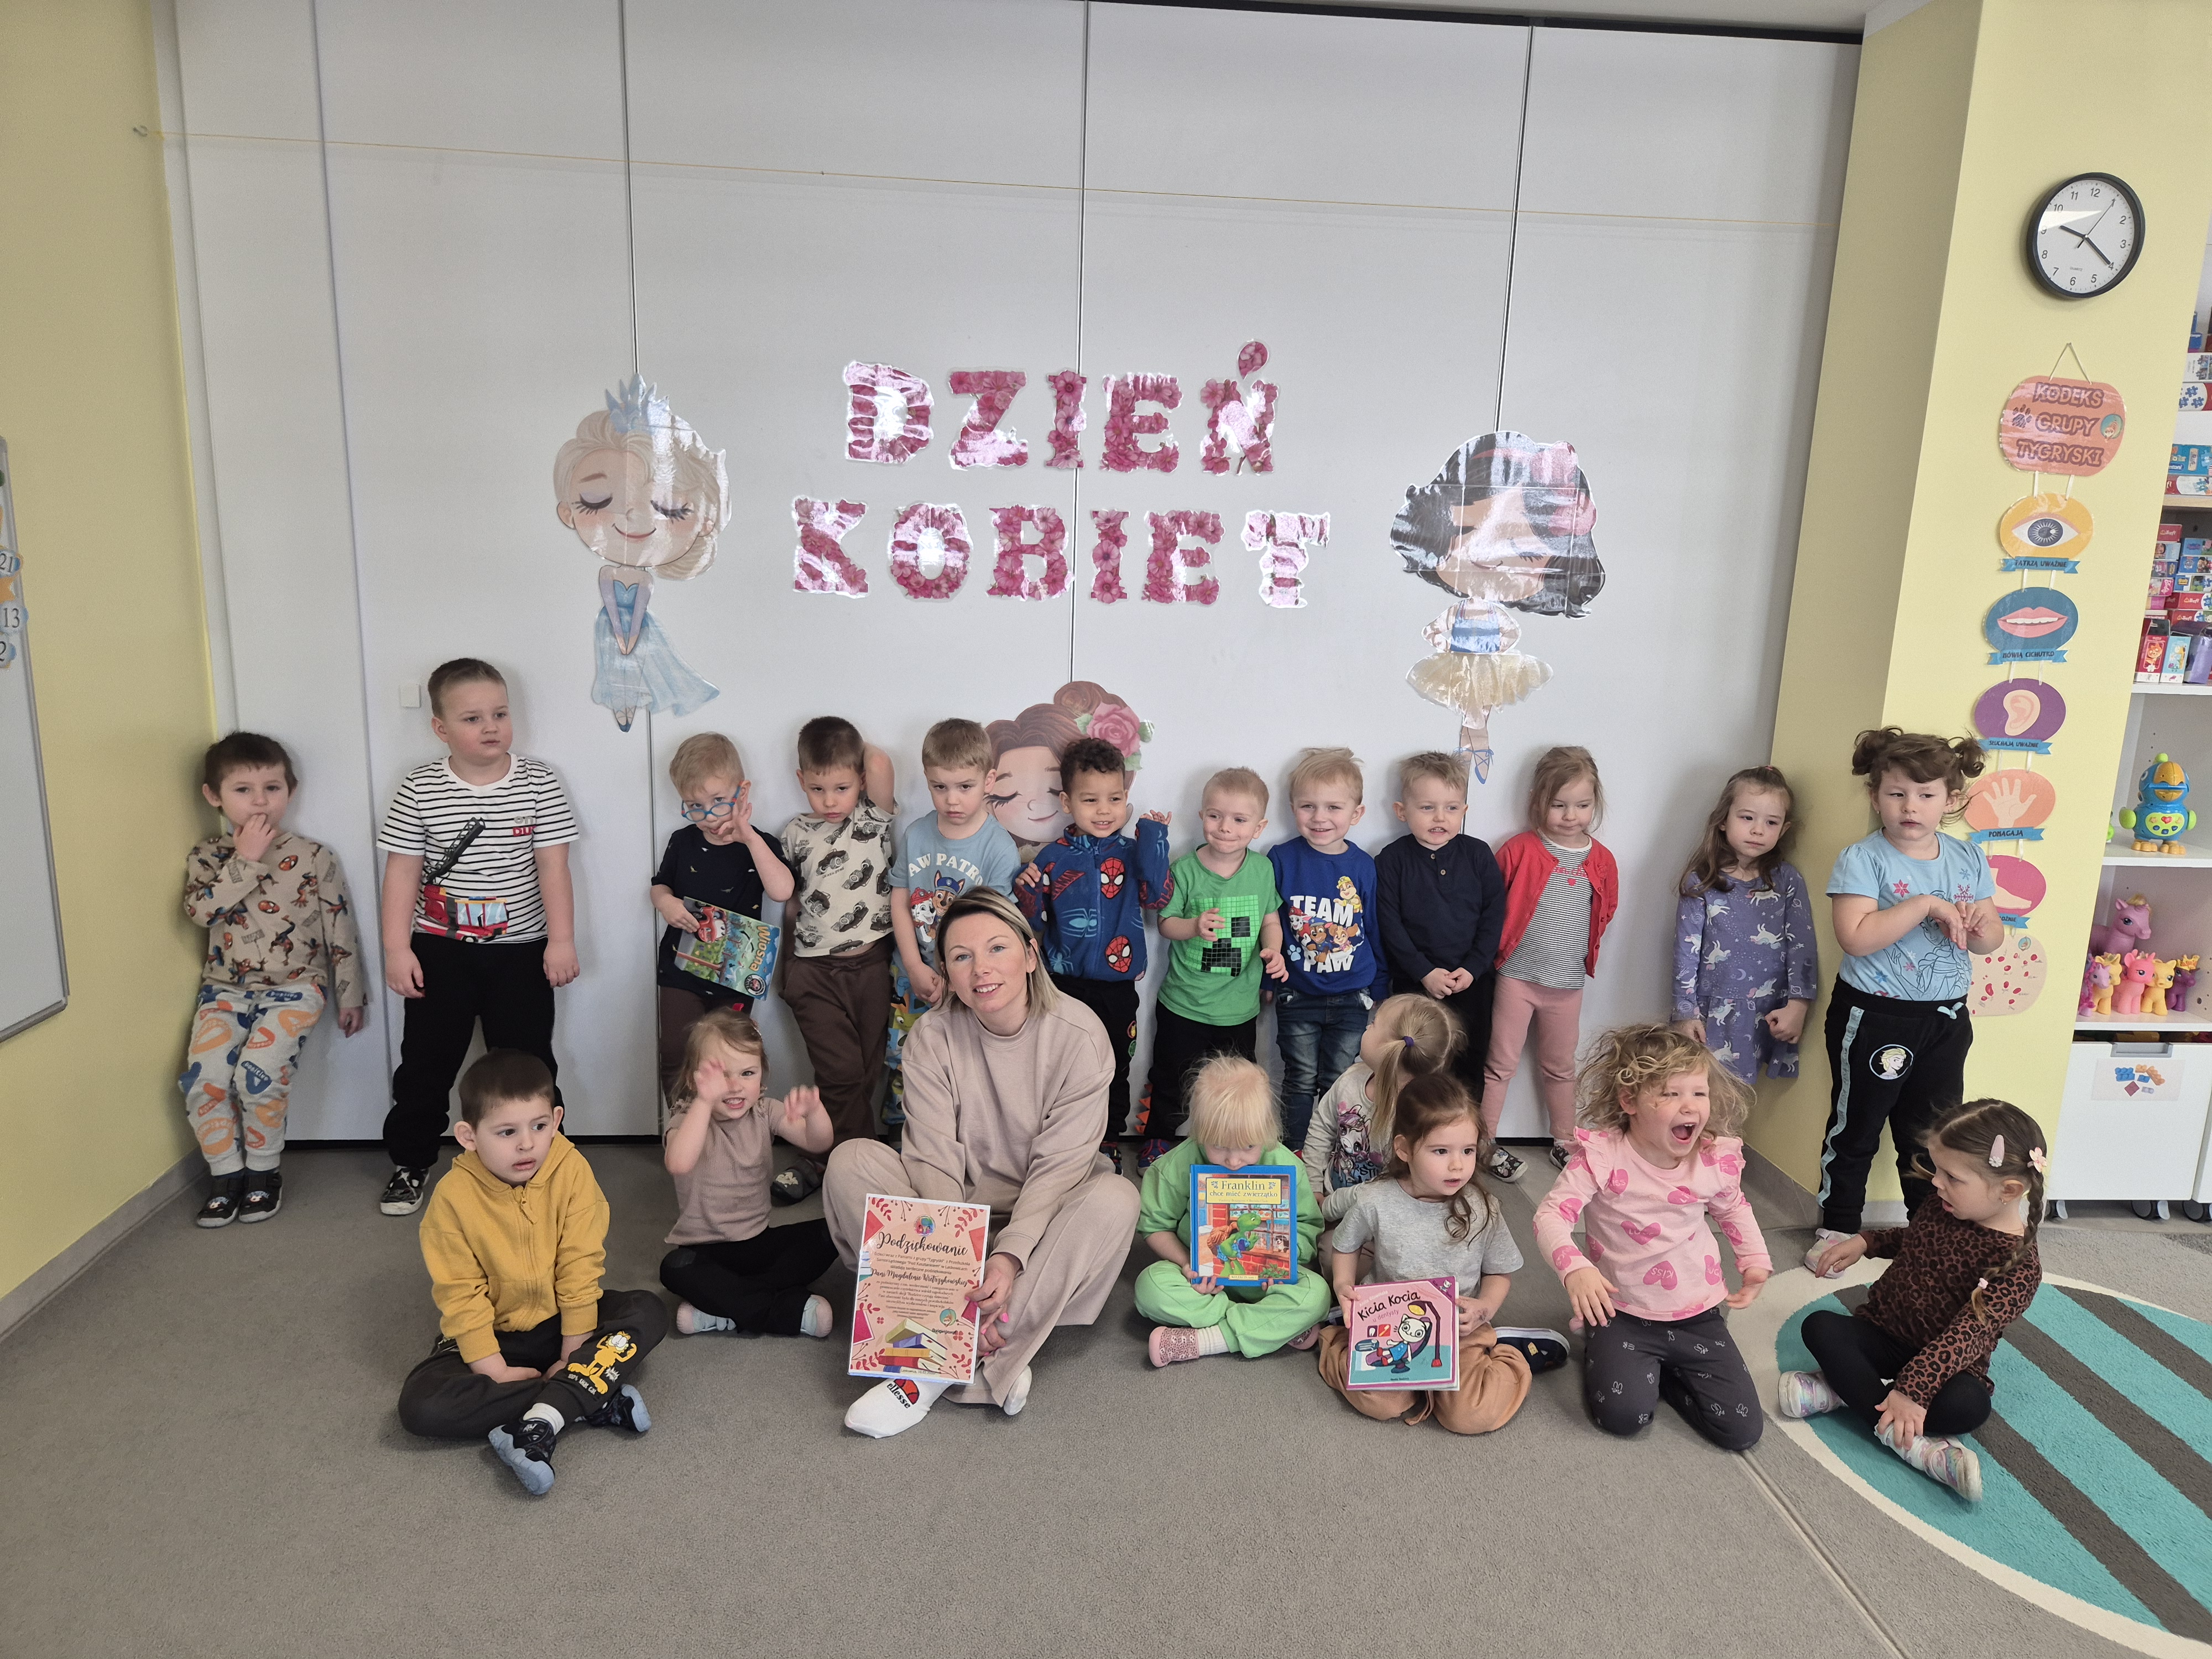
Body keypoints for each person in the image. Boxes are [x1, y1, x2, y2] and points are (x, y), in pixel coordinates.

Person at [825, 889, 1140, 1438]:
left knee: (1117, 1197)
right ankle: (981, 1347)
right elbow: (932, 1158)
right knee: (851, 1161)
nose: (981, 969)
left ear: (1030, 955)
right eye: (962, 956)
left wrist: (1010, 1259)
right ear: (946, 971)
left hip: (1044, 1222)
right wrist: (956, 1266)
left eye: (997, 948)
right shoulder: (932, 1036)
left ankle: (931, 1365)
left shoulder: (1081, 1035)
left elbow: (1059, 1168)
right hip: (952, 1215)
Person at [396, 1051, 668, 1496]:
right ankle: (586, 1395)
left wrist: (573, 1350)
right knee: (420, 1406)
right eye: (507, 1132)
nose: (527, 1144)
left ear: (557, 1120)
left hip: (564, 1322)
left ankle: (549, 1412)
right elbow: (461, 1293)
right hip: (495, 1336)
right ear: (469, 1136)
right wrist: (495, 1371)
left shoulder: (572, 1169)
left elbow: (580, 1265)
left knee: (647, 1309)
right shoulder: (451, 1199)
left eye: (539, 1127)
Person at [376, 659, 579, 1216]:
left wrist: (561, 940)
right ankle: (412, 1161)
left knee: (528, 1066)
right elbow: (401, 873)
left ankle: (547, 1164)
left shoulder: (539, 782)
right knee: (425, 1063)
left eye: (500, 714)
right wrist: (396, 948)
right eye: (472, 718)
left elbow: (554, 867)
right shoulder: (419, 788)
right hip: (439, 952)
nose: (490, 727)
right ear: (441, 728)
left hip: (521, 953)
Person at [1786, 1099, 2045, 1501]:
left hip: (1948, 1366)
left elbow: (1969, 1333)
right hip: (1884, 1332)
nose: (1937, 1182)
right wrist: (1867, 1242)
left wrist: (1914, 1390)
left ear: (2008, 1190)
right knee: (1819, 1326)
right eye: (1937, 1169)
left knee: (1971, 1407)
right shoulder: (1945, 1206)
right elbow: (1918, 1239)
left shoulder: (2020, 1266)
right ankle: (1912, 1441)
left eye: (1952, 1177)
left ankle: (1846, 1396)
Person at [1812, 728, 2003, 1261]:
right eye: (1896, 794)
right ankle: (1838, 1228)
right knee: (1857, 1127)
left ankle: (1928, 1231)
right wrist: (1925, 905)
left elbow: (1989, 939)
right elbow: (1855, 936)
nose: (1910, 807)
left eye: (1926, 794)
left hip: (1946, 1020)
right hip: (1877, 1017)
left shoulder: (1967, 858)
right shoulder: (1863, 858)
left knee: (1934, 1133)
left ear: (1951, 800)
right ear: (1876, 797)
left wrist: (1979, 926)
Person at [1533, 1025, 1771, 1451]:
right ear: (1630, 1102)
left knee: (1741, 1432)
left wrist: (1754, 1260)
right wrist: (1575, 1269)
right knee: (1623, 1417)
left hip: (1697, 1314)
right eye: (1671, 1094)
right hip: (1620, 1312)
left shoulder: (1713, 1159)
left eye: (1699, 1093)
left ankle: (1665, 1377)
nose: (1690, 1106)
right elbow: (1550, 1215)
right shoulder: (1602, 1158)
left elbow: (1733, 1208)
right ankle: (1606, 1347)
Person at [180, 732, 367, 1226]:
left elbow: (339, 927)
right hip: (224, 989)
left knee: (257, 1075)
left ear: (291, 790)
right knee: (204, 1080)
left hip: (297, 987)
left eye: (272, 788)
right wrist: (244, 860)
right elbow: (200, 912)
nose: (260, 801)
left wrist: (351, 995)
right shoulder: (208, 856)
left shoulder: (314, 856)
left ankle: (263, 1173)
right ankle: (226, 1176)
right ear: (214, 796)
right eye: (243, 790)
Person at [1318, 1073, 1563, 1433]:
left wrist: (1486, 1308)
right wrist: (1343, 1285)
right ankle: (1338, 1334)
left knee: (1470, 1416)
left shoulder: (1482, 1206)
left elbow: (1499, 1271)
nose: (1458, 1165)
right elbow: (1346, 1243)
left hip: (1459, 1328)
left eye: (1468, 1150)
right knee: (1380, 1403)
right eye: (1441, 1151)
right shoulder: (1375, 1199)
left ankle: (1508, 1352)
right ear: (1404, 1149)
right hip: (1389, 1324)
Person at [1015, 734, 1173, 1165]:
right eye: (1091, 800)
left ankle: (1107, 1143)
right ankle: (1060, 1144)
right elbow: (1032, 925)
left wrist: (1155, 839)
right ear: (1067, 803)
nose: (1104, 810)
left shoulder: (1134, 852)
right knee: (1058, 1069)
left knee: (1115, 1068)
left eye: (1115, 799)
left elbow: (1158, 898)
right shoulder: (1052, 858)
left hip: (1117, 988)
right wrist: (1026, 892)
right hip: (1061, 986)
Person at [552, 374, 726, 730]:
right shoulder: (609, 573)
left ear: (706, 519)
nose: (633, 518)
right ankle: (623, 707)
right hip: (612, 628)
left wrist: (629, 636)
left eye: (670, 508)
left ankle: (630, 703)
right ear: (568, 513)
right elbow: (614, 607)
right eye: (596, 501)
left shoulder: (645, 581)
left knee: (645, 663)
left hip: (638, 629)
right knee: (615, 668)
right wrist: (620, 635)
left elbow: (638, 610)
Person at [1480, 744, 1618, 1181]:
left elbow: (1607, 908)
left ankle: (1564, 1140)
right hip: (1516, 978)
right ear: (1538, 801)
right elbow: (1491, 903)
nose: (1571, 815)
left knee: (1560, 1066)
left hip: (1567, 984)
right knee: (1499, 1064)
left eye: (1582, 805)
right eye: (1559, 805)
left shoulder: (1601, 859)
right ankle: (1483, 1142)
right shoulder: (1519, 849)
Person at [659, 1009, 839, 1339]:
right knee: (674, 1268)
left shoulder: (765, 1111)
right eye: (721, 1076)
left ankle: (722, 1308)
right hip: (706, 1252)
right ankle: (782, 1311)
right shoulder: (686, 1120)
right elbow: (679, 1163)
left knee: (834, 1233)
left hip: (758, 1242)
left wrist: (815, 1112)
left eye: (747, 1073)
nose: (735, 1086)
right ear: (694, 1080)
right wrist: (704, 1102)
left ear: (762, 1075)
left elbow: (819, 1142)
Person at [1135, 1056, 1327, 1365]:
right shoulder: (1174, 1166)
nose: (1234, 1161)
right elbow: (1155, 1226)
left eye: (1249, 1146)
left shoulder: (1287, 1164)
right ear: (1199, 1131)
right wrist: (1187, 1264)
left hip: (1266, 1285)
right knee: (1150, 1287)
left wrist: (1283, 1263)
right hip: (1201, 1283)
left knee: (1316, 1294)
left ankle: (1208, 1339)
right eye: (1219, 1146)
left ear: (1268, 1131)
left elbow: (1307, 1226)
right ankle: (1267, 1325)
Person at [778, 715, 898, 1196]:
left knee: (865, 1071)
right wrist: (787, 968)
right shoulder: (795, 832)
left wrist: (848, 754)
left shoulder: (872, 819)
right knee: (841, 1072)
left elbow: (880, 762)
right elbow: (789, 902)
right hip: (814, 970)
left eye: (841, 788)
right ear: (801, 781)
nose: (829, 801)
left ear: (860, 781)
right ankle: (858, 1172)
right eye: (817, 789)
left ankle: (826, 1158)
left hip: (870, 966)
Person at [887, 718, 1021, 1135]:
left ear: (989, 781)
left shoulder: (998, 847)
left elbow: (995, 925)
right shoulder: (916, 834)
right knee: (905, 1059)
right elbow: (899, 901)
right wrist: (914, 966)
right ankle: (904, 1138)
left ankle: (962, 1142)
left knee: (966, 1064)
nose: (952, 799)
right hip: (914, 977)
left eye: (965, 786)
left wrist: (958, 977)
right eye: (939, 787)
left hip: (969, 981)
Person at [1147, 767, 1287, 1165]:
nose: (1225, 827)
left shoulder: (1261, 870)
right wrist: (1193, 926)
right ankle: (1158, 1139)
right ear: (1201, 816)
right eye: (1215, 816)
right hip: (1184, 1004)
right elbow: (1165, 924)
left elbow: (1270, 921)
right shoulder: (1184, 869)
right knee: (1171, 1078)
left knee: (1237, 1087)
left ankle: (1235, 1147)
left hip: (1238, 1009)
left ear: (1259, 828)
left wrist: (1274, 951)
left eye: (1239, 820)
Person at [649, 732, 792, 1101]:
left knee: (732, 1056)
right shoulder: (683, 841)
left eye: (718, 801)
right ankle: (682, 1125)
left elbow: (782, 890)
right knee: (676, 1051)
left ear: (742, 794)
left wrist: (750, 838)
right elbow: (660, 886)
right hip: (681, 969)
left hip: (736, 975)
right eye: (694, 806)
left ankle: (728, 1127)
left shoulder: (759, 844)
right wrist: (666, 903)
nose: (708, 816)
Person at [1268, 747, 1389, 1155]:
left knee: (1340, 1078)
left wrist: (1381, 985)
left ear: (1357, 813)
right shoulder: (1282, 858)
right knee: (1300, 1077)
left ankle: (1333, 1154)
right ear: (1293, 809)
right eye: (1308, 806)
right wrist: (1267, 979)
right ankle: (1295, 1152)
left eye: (1334, 807)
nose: (1320, 817)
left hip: (1353, 994)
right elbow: (1271, 923)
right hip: (1297, 991)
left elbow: (1373, 927)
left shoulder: (1363, 865)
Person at [1671, 765, 1818, 1084]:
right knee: (1702, 1088)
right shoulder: (1702, 882)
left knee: (1741, 1096)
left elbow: (1802, 946)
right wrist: (1685, 1012)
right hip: (1712, 1011)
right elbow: (1686, 952)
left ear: (1784, 829)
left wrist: (1799, 1005)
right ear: (1723, 820)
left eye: (1771, 822)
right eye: (1747, 817)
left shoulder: (1787, 880)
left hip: (1769, 1008)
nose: (1758, 830)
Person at [1375, 750, 1505, 1102]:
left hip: (1472, 983)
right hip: (1414, 984)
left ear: (1464, 811)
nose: (1440, 817)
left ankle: (1468, 1131)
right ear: (1402, 811)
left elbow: (1494, 915)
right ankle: (1413, 1130)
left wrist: (1473, 968)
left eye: (1451, 808)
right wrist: (1424, 972)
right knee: (1414, 1067)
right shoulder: (1391, 860)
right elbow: (1389, 923)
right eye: (1427, 807)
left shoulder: (1478, 855)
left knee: (1469, 1063)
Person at [1301, 993, 1461, 1226]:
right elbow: (1321, 1128)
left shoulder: (1415, 1114)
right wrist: (1313, 1184)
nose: (1367, 1026)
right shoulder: (1351, 1078)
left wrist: (1329, 1207)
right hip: (1329, 1196)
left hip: (1378, 1220)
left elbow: (1390, 1187)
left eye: (1374, 1023)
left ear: (1390, 1048)